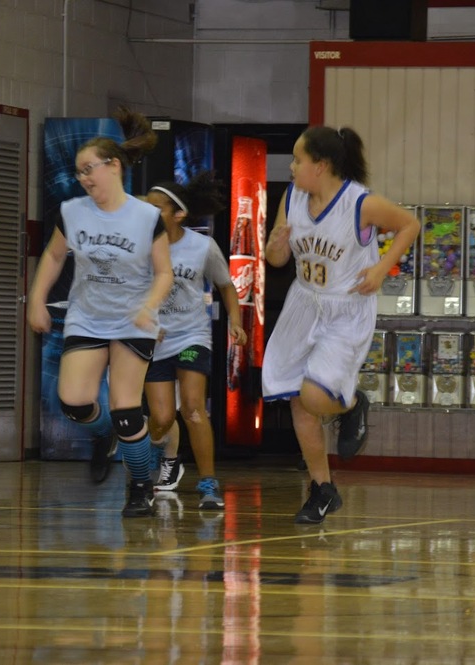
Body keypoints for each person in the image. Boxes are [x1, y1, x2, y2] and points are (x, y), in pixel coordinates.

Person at [262, 125, 420, 524]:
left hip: (346, 306)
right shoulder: (293, 196)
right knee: (297, 398)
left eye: (298, 159)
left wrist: (382, 267)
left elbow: (410, 225)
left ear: (322, 165)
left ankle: (352, 404)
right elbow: (276, 259)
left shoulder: (359, 204)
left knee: (315, 397)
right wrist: (275, 249)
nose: (292, 166)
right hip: (304, 302)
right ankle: (322, 489)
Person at [27, 107, 173, 518]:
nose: (84, 178)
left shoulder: (147, 217)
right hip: (88, 315)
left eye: (90, 169)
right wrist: (36, 299)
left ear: (114, 167)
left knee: (127, 407)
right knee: (73, 400)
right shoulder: (72, 212)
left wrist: (148, 305)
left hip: (132, 320)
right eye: (78, 172)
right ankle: (101, 431)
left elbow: (164, 273)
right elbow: (54, 257)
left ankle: (141, 484)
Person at [144, 171, 247, 510]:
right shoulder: (138, 246)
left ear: (178, 214)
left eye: (156, 208)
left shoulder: (202, 246)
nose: (147, 213)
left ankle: (208, 484)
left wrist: (234, 320)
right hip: (153, 340)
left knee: (192, 408)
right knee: (160, 418)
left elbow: (226, 286)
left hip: (191, 335)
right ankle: (167, 454)